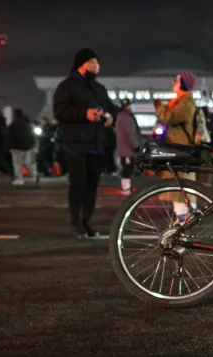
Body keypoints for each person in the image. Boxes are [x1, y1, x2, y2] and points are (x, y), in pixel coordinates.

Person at [53, 48, 116, 239]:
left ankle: (87, 221)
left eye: (97, 63)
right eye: (92, 62)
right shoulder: (67, 86)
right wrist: (84, 114)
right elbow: (60, 112)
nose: (96, 66)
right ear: (81, 64)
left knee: (92, 184)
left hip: (96, 142)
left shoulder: (99, 88)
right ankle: (76, 222)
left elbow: (111, 108)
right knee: (78, 182)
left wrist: (109, 116)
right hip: (75, 142)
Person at [154, 71, 199, 220]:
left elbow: (170, 118)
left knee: (181, 188)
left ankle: (186, 221)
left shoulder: (186, 102)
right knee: (178, 189)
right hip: (176, 149)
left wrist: (159, 107)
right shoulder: (179, 101)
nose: (173, 83)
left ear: (183, 84)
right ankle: (183, 220)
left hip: (181, 150)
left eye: (176, 81)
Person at [115, 98, 143, 195]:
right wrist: (136, 146)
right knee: (127, 168)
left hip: (124, 148)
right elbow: (130, 133)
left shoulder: (120, 116)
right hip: (127, 149)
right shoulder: (126, 117)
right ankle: (126, 188)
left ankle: (126, 187)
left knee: (127, 168)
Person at [9, 108, 37, 186]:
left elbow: (12, 137)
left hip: (17, 147)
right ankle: (34, 174)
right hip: (27, 147)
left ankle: (19, 179)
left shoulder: (13, 125)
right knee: (27, 162)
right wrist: (32, 145)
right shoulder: (27, 124)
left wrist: (11, 146)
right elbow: (31, 136)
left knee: (17, 164)